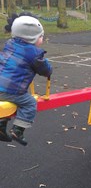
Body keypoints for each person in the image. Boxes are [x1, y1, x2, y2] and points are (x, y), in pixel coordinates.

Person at [0, 15, 52, 145]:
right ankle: (18, 130)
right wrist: (49, 69)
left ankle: (1, 126)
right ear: (32, 38)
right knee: (29, 103)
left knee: (7, 101)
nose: (42, 39)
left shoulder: (10, 44)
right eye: (41, 36)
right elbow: (44, 70)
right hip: (10, 90)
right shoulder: (34, 53)